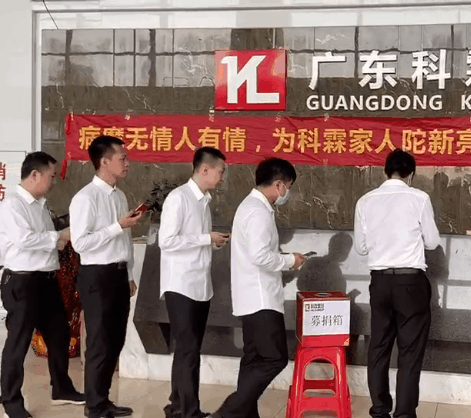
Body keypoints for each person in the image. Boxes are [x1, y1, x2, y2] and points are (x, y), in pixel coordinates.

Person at [215, 158, 306, 418]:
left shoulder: (252, 206)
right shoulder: (257, 211)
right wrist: (290, 261)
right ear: (279, 185)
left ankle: (244, 415)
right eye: (288, 187)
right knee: (274, 358)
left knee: (253, 358)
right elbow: (260, 256)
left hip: (252, 296)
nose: (287, 193)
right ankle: (228, 412)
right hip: (261, 298)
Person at [354, 149, 441, 418]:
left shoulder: (365, 201)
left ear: (385, 171)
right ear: (410, 175)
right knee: (410, 352)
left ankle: (380, 410)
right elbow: (432, 242)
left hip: (380, 283)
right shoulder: (419, 198)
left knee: (378, 347)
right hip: (411, 282)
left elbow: (360, 247)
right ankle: (404, 414)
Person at [0, 152, 84, 418]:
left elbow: (48, 243)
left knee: (59, 336)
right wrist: (58, 237)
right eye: (51, 176)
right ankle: (11, 401)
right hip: (23, 281)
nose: (54, 181)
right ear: (35, 175)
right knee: (18, 342)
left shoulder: (40, 206)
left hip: (46, 280)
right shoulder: (12, 205)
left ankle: (62, 389)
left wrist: (61, 238)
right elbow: (24, 240)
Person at [69, 136, 143, 418]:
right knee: (99, 342)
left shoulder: (120, 196)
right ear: (104, 162)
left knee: (115, 340)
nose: (127, 162)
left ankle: (103, 399)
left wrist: (130, 273)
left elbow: (125, 240)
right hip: (97, 276)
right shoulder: (85, 198)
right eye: (122, 158)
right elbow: (80, 243)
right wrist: (117, 226)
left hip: (119, 275)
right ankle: (94, 405)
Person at [159, 147, 230, 418]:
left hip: (200, 285)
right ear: (204, 169)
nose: (222, 177)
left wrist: (213, 242)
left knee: (188, 350)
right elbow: (166, 241)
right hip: (181, 285)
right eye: (220, 171)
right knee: (188, 351)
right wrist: (206, 238)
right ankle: (190, 412)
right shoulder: (179, 198)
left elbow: (195, 241)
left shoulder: (204, 200)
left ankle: (177, 405)